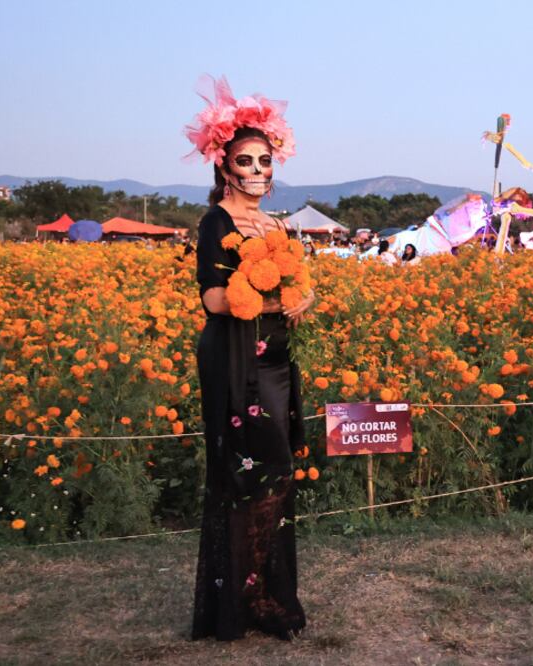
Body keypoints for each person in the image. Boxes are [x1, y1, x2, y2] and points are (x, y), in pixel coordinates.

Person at [186, 75, 314, 642]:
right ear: (224, 166)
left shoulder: (279, 224)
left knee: (278, 475)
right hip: (237, 363)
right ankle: (241, 604)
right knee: (246, 475)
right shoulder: (216, 222)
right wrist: (265, 296)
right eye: (246, 161)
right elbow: (214, 299)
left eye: (266, 160)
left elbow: (294, 286)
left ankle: (269, 595)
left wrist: (301, 297)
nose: (259, 170)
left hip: (276, 362)